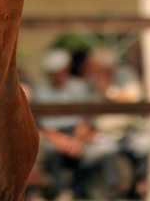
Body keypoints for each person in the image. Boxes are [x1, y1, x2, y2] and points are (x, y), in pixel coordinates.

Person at [34, 48, 121, 200]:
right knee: (48, 149)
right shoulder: (40, 92)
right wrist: (60, 140)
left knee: (100, 150)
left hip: (77, 135)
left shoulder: (80, 88)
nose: (59, 74)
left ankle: (99, 190)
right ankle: (62, 190)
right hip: (54, 137)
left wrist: (78, 140)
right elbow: (42, 126)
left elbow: (85, 120)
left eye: (61, 70)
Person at [83, 45, 150, 199]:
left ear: (107, 67)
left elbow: (134, 100)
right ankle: (119, 191)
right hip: (103, 135)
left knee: (147, 144)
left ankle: (142, 185)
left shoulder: (126, 75)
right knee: (107, 149)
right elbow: (85, 117)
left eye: (95, 68)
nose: (92, 71)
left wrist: (108, 91)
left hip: (130, 132)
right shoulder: (89, 84)